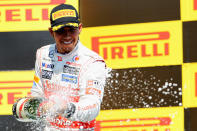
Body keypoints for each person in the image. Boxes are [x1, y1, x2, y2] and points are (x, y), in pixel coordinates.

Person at [13, 3, 107, 131]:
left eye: (72, 30)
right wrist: (29, 107)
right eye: (61, 31)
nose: (67, 36)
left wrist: (65, 108)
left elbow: (93, 107)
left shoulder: (93, 62)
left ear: (79, 28)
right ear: (52, 32)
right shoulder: (43, 54)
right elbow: (37, 93)